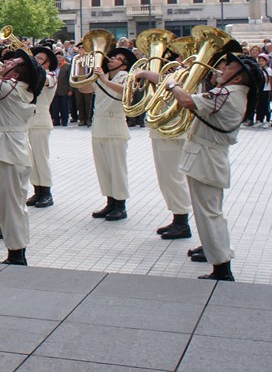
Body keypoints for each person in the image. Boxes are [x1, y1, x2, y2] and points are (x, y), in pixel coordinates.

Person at [160, 51, 259, 281]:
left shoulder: (227, 93)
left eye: (229, 67)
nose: (222, 68)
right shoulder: (232, 92)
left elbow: (186, 101)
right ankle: (213, 252)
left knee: (209, 214)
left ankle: (222, 267)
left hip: (206, 158)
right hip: (207, 157)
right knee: (208, 212)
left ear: (238, 77)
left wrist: (172, 82)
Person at [0, 49, 45, 265]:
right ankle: (16, 249)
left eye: (15, 62)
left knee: (10, 206)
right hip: (11, 152)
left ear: (16, 74)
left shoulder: (11, 89)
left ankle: (16, 253)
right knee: (13, 204)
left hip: (8, 153)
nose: (9, 61)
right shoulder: (17, 87)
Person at [80, 45, 136, 221]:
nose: (112, 58)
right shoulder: (101, 76)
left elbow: (125, 91)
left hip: (115, 127)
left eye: (118, 58)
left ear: (124, 65)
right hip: (99, 126)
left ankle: (121, 205)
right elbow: (84, 89)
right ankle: (110, 201)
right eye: (112, 56)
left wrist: (103, 79)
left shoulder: (126, 76)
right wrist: (83, 66)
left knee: (117, 169)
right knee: (103, 168)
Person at [27, 45, 58, 208]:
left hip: (40, 120)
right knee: (31, 159)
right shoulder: (31, 75)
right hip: (28, 120)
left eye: (39, 59)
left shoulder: (50, 75)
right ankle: (37, 190)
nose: (35, 60)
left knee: (41, 157)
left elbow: (43, 80)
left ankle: (46, 192)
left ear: (46, 64)